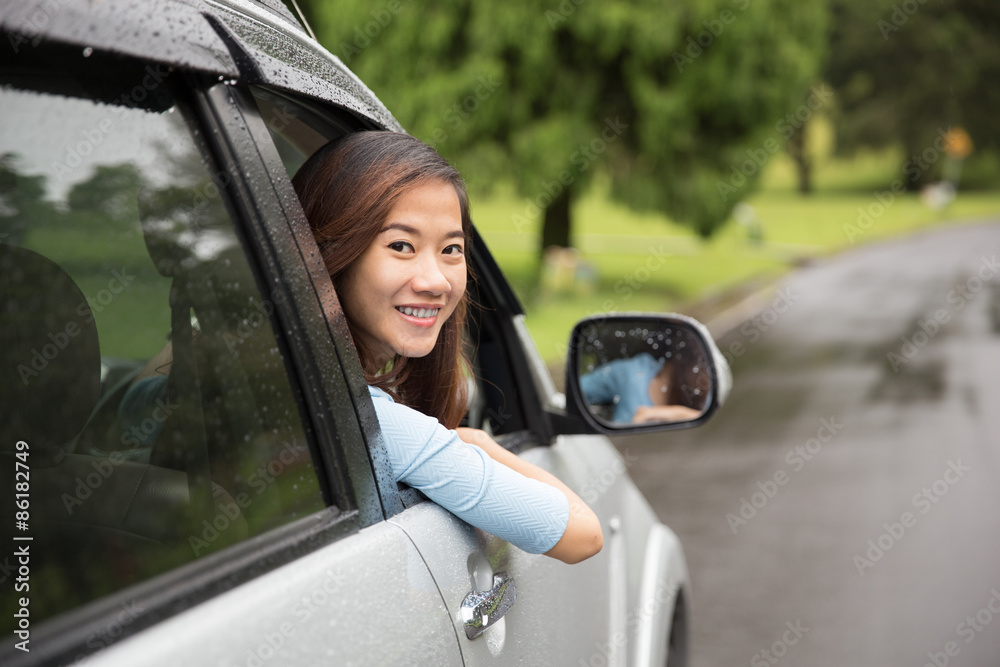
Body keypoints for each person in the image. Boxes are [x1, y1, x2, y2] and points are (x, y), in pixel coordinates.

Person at [292, 131, 602, 564]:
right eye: (401, 245)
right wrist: (481, 444)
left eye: (451, 249)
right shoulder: (375, 423)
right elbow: (582, 534)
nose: (435, 281)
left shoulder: (276, 390)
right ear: (330, 253)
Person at [580, 352, 704, 424]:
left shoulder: (706, 399)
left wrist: (682, 414)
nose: (703, 381)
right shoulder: (632, 373)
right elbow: (576, 390)